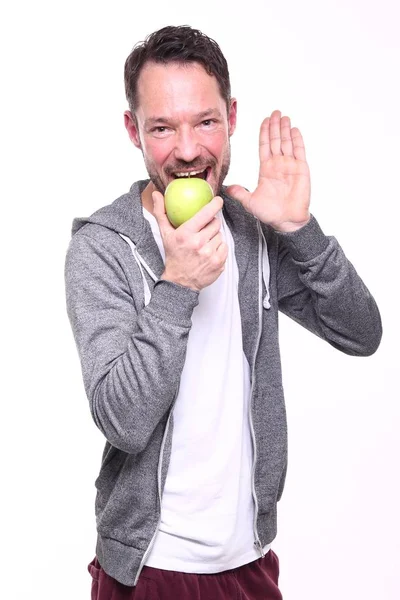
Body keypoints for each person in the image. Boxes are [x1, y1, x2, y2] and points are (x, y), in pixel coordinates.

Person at [65, 25, 382, 600]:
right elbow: (123, 422)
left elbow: (363, 334)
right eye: (162, 127)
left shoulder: (250, 229)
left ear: (231, 117)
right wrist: (178, 285)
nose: (187, 150)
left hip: (249, 559)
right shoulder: (103, 248)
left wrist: (300, 231)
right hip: (151, 566)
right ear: (134, 130)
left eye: (204, 122)